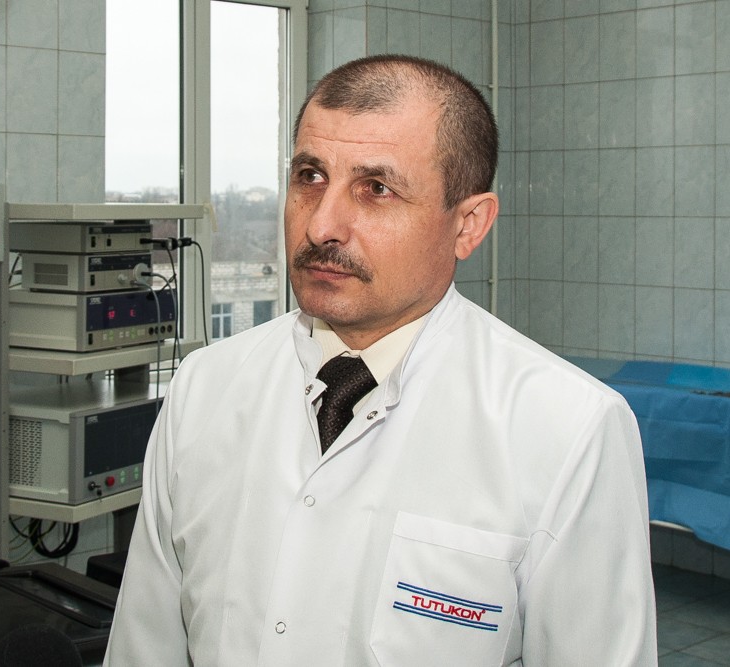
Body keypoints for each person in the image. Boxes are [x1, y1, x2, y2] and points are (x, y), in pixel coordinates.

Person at [104, 54, 656, 665]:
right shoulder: (204, 388)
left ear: (468, 225)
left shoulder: (567, 429)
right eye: (310, 176)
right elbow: (143, 646)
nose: (322, 225)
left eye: (376, 189)